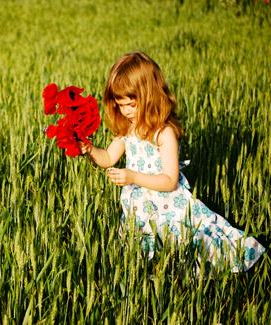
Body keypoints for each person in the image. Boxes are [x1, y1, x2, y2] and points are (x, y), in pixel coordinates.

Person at [79, 51, 265, 272]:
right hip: (140, 209)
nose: (126, 111)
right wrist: (89, 149)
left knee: (184, 246)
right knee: (143, 255)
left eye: (131, 104)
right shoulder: (127, 130)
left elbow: (169, 180)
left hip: (167, 207)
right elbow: (108, 158)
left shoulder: (163, 133)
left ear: (149, 96)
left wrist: (132, 176)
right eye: (120, 105)